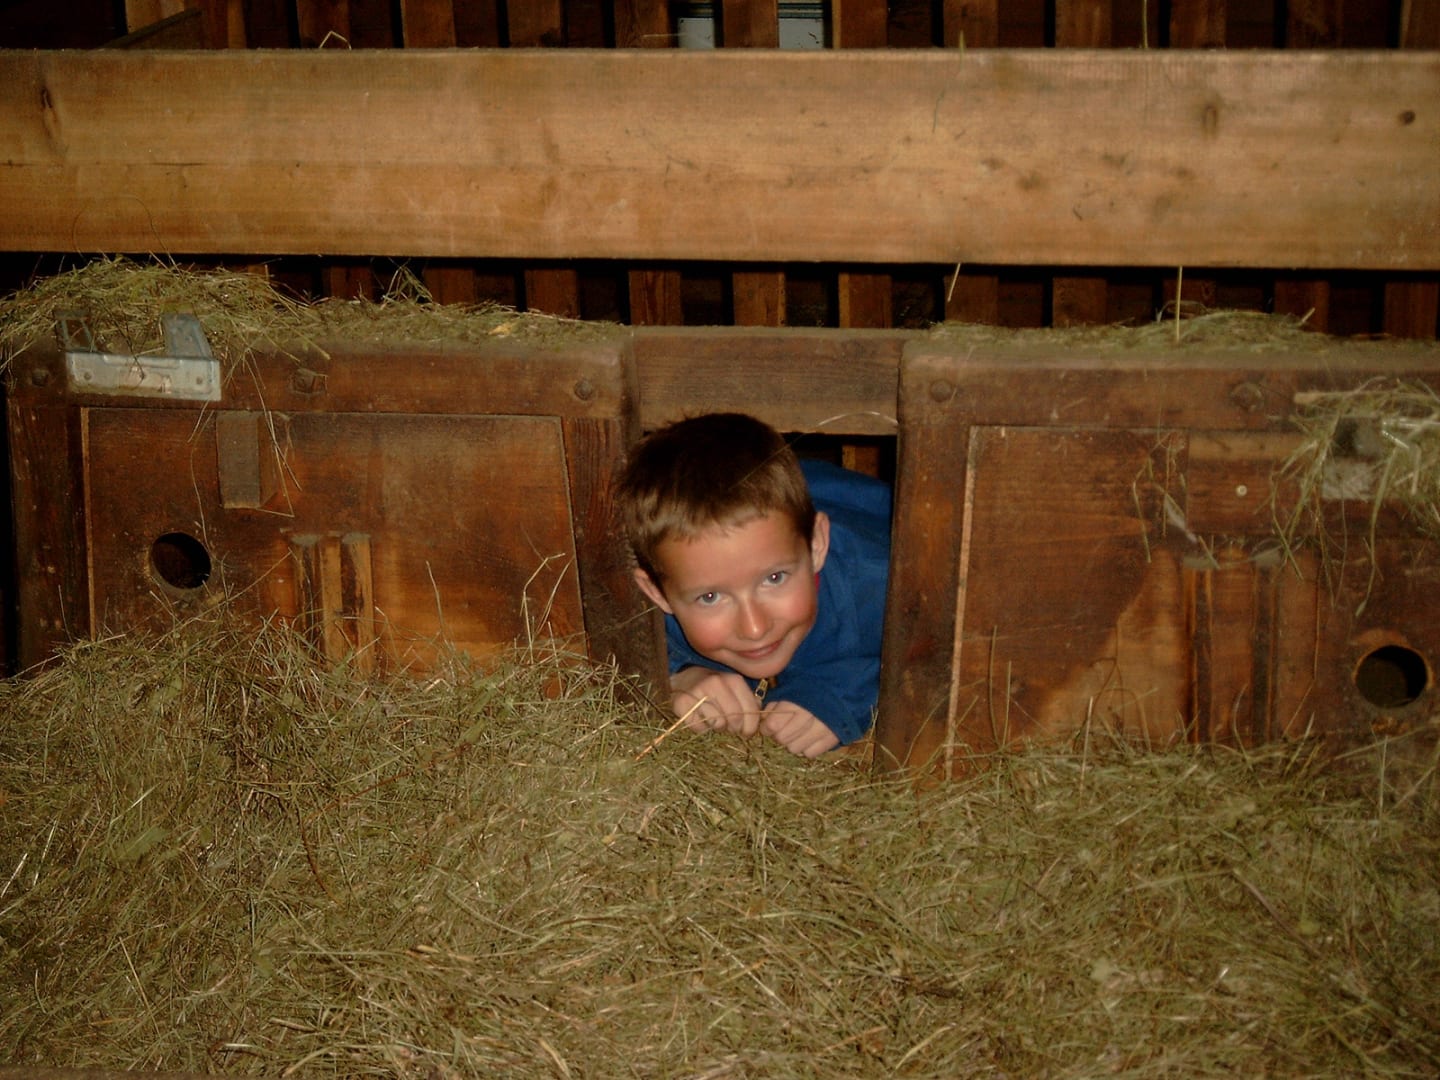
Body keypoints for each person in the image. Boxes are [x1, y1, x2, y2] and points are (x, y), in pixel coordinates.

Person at [615, 412, 891, 757]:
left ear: (816, 545)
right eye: (710, 597)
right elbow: (611, 651)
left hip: (859, 505)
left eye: (774, 578)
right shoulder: (672, 576)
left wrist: (843, 698)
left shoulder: (880, 584)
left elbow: (937, 647)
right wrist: (678, 676)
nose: (755, 628)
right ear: (657, 592)